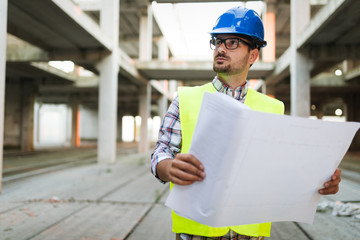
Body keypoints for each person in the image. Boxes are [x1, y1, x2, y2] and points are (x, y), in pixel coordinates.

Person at [151, 6, 342, 240]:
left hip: (251, 234)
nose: (221, 48)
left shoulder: (273, 109)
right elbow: (161, 151)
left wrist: (319, 182)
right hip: (196, 231)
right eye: (217, 41)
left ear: (253, 55)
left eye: (232, 42)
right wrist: (168, 168)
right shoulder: (186, 99)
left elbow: (281, 171)